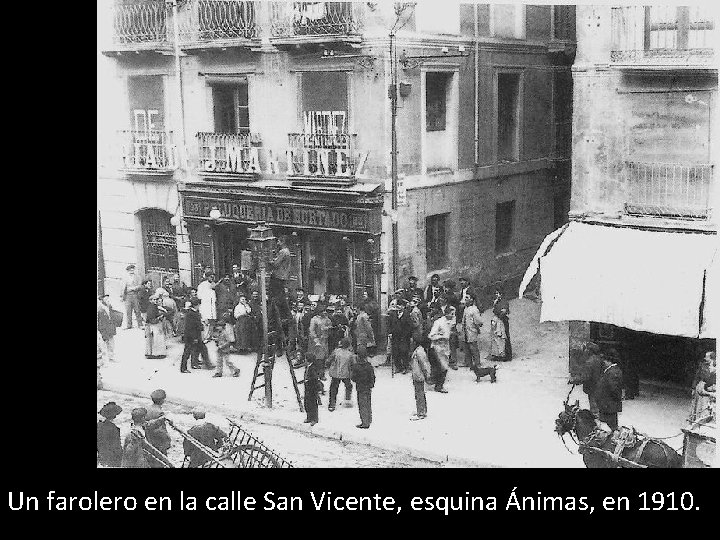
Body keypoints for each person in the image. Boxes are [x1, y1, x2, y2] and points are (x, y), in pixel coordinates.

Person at [462, 293, 497, 383]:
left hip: (472, 331)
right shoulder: (466, 309)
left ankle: (477, 364)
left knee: (473, 348)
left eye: (467, 298)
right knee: (467, 347)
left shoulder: (474, 309)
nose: (465, 299)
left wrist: (475, 327)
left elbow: (479, 321)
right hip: (466, 331)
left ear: (472, 300)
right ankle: (469, 363)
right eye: (465, 298)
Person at [180, 297, 212, 373]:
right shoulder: (191, 314)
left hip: (196, 335)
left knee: (201, 349)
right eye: (198, 305)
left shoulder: (194, 312)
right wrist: (194, 338)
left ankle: (201, 363)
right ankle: (183, 368)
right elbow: (190, 327)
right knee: (187, 351)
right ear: (196, 305)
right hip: (191, 336)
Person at [595, 350, 624, 431]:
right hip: (607, 405)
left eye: (605, 360)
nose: (604, 362)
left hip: (609, 406)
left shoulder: (613, 372)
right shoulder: (611, 371)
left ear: (610, 361)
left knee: (610, 428)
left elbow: (614, 389)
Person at [428, 306, 455, 393]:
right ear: (446, 313)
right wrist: (441, 336)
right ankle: (439, 386)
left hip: (445, 348)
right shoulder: (438, 322)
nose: (453, 316)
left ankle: (437, 384)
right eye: (452, 314)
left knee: (444, 367)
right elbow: (431, 335)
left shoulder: (450, 322)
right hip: (437, 348)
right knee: (442, 367)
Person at [327, 337, 356, 411]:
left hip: (335, 373)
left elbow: (329, 360)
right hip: (346, 374)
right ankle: (347, 400)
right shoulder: (350, 354)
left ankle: (332, 404)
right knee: (348, 386)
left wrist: (328, 365)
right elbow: (353, 364)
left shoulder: (336, 351)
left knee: (333, 388)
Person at [145, 389, 172, 467]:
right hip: (158, 442)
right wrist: (168, 441)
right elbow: (162, 430)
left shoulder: (147, 408)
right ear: (162, 400)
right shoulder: (160, 412)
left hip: (148, 439)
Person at [690, 351, 716, 424]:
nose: (705, 358)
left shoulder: (716, 366)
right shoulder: (702, 365)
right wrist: (693, 388)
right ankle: (694, 422)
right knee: (697, 405)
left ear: (711, 358)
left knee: (706, 407)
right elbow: (697, 376)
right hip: (701, 387)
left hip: (711, 389)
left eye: (707, 357)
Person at [351, 349, 375, 429]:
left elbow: (353, 378)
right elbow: (372, 377)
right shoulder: (369, 366)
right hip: (368, 387)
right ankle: (369, 419)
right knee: (368, 403)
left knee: (362, 405)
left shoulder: (356, 367)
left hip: (360, 387)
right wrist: (371, 384)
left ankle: (365, 422)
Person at [269, 236, 292, 317]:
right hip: (282, 276)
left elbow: (275, 264)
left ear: (282, 242)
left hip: (278, 276)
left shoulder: (283, 252)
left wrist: (269, 260)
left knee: (276, 295)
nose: (277, 243)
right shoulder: (287, 251)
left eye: (278, 242)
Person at [213, 313, 241, 378]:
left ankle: (235, 370)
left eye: (219, 326)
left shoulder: (225, 333)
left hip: (225, 349)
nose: (217, 327)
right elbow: (218, 339)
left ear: (222, 327)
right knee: (219, 361)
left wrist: (222, 345)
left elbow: (228, 341)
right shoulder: (219, 333)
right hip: (220, 349)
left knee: (227, 362)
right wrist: (216, 340)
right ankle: (219, 372)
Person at [309, 306, 333, 377]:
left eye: (325, 311)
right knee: (318, 358)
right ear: (319, 312)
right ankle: (319, 374)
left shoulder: (327, 319)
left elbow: (330, 326)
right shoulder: (314, 319)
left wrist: (328, 328)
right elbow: (311, 331)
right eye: (323, 311)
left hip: (325, 341)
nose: (325, 312)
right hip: (317, 341)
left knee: (323, 358)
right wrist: (316, 340)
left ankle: (320, 373)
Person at [389, 299, 412, 373]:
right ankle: (398, 367)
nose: (398, 307)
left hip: (404, 337)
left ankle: (405, 367)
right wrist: (390, 332)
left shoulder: (407, 314)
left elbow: (409, 327)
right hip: (395, 336)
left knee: (404, 352)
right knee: (396, 352)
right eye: (397, 305)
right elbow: (391, 324)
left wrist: (405, 335)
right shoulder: (394, 314)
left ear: (403, 306)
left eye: (400, 305)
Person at [581, 342, 604, 417]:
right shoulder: (600, 359)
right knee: (598, 406)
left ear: (590, 351)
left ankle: (596, 423)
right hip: (600, 386)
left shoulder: (589, 362)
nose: (585, 351)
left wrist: (575, 379)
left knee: (594, 408)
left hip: (592, 387)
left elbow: (586, 377)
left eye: (586, 349)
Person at [97, 402, 123, 467]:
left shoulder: (99, 425)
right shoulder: (114, 429)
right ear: (114, 416)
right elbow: (117, 448)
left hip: (101, 458)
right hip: (112, 461)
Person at [409, 341, 431, 420]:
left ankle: (421, 412)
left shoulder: (419, 352)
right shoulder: (418, 351)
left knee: (419, 394)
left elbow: (424, 365)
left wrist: (426, 374)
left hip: (419, 375)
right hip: (417, 375)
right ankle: (422, 410)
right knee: (419, 393)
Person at [144, 294, 168, 359]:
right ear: (150, 300)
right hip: (153, 325)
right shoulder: (151, 307)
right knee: (156, 339)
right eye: (153, 300)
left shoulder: (154, 306)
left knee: (156, 339)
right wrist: (159, 318)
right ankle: (156, 354)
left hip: (155, 324)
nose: (155, 301)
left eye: (156, 300)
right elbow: (151, 317)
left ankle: (155, 353)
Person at [121, 264, 144, 329]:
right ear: (127, 271)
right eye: (130, 270)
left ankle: (140, 324)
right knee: (128, 310)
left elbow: (140, 285)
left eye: (132, 270)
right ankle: (129, 325)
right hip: (127, 295)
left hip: (135, 294)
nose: (131, 272)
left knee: (137, 310)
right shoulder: (125, 278)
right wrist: (122, 296)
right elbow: (122, 287)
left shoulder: (138, 277)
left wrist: (133, 288)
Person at [197, 272, 218, 341]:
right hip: (205, 305)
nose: (212, 278)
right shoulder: (202, 285)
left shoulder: (213, 285)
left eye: (213, 277)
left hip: (212, 306)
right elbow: (199, 296)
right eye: (210, 277)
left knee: (212, 321)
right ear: (207, 277)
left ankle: (210, 336)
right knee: (205, 321)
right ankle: (205, 337)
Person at [492, 287, 512, 361]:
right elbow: (494, 310)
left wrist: (499, 316)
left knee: (504, 337)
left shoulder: (504, 302)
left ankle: (507, 355)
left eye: (497, 293)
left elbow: (504, 311)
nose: (496, 295)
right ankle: (499, 354)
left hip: (503, 321)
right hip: (498, 320)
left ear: (501, 294)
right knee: (497, 338)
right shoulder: (497, 301)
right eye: (496, 293)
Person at [303, 353, 322, 426]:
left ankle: (314, 419)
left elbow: (314, 378)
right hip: (308, 387)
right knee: (307, 403)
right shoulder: (308, 367)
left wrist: (308, 380)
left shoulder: (313, 368)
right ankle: (309, 417)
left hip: (312, 388)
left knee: (312, 403)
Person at [288, 300, 308, 367]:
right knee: (297, 345)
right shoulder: (296, 313)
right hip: (297, 332)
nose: (299, 307)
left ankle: (301, 359)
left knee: (302, 346)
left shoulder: (305, 314)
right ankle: (298, 358)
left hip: (303, 333)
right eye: (299, 305)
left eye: (301, 305)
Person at [97, 294, 117, 362]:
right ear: (102, 300)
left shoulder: (109, 307)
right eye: (106, 299)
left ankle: (111, 357)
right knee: (103, 345)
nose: (108, 301)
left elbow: (112, 318)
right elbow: (100, 321)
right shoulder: (100, 309)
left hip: (110, 328)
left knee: (111, 344)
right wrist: (101, 330)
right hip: (104, 329)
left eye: (108, 299)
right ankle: (103, 359)